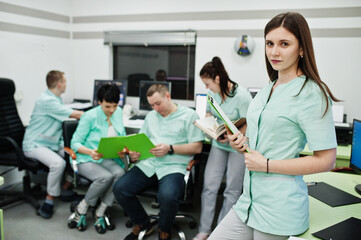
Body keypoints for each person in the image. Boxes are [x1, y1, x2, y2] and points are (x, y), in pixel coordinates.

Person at [208, 12, 339, 240]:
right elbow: (266, 139)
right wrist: (243, 143)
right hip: (248, 203)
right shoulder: (268, 89)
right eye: (269, 43)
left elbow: (327, 160)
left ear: (301, 49)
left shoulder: (312, 94)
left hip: (279, 210)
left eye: (284, 44)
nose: (274, 52)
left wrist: (266, 164)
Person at [112, 84, 204, 240]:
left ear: (167, 96)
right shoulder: (151, 116)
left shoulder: (190, 115)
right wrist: (135, 154)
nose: (155, 108)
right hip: (149, 164)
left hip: (173, 166)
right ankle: (142, 223)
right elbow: (141, 142)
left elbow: (197, 147)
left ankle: (164, 228)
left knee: (167, 196)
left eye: (158, 103)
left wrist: (170, 148)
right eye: (152, 105)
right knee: (120, 188)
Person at [193, 56, 252, 240]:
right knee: (209, 187)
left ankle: (221, 232)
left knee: (232, 191)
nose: (207, 88)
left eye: (207, 83)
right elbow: (210, 114)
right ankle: (204, 230)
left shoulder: (242, 96)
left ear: (217, 79)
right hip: (219, 144)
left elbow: (248, 123)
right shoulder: (213, 95)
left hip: (237, 147)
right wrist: (210, 127)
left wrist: (233, 137)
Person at [23, 70, 83, 219]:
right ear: (59, 84)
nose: (66, 85)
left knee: (75, 154)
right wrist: (98, 114)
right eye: (65, 82)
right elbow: (74, 114)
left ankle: (64, 188)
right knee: (58, 163)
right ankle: (48, 202)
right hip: (35, 144)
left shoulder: (55, 99)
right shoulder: (46, 101)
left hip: (50, 143)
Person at [67, 84, 126, 234]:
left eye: (115, 106)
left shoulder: (118, 112)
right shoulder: (89, 116)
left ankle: (101, 210)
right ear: (99, 103)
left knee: (120, 173)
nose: (112, 110)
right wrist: (90, 152)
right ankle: (82, 208)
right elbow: (75, 143)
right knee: (105, 177)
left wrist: (123, 150)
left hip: (104, 157)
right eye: (107, 106)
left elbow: (121, 137)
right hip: (85, 158)